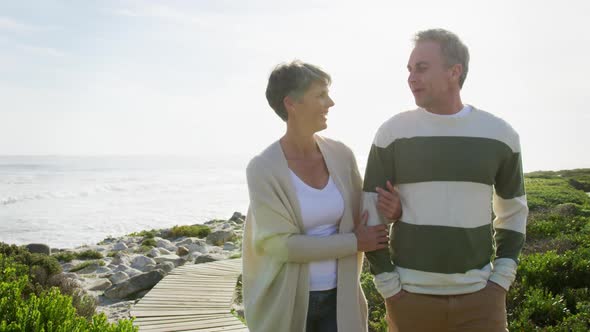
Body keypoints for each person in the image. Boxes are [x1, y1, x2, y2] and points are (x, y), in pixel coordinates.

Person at [363, 29, 528, 332]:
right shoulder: (392, 132)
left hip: (481, 300)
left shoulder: (500, 135)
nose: (411, 77)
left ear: (455, 72)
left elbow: (513, 211)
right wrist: (388, 284)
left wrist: (501, 279)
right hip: (410, 300)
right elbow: (369, 209)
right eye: (410, 70)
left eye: (422, 68)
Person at [242, 60, 395, 332]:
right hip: (286, 302)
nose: (331, 103)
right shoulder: (262, 168)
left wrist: (394, 212)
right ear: (291, 103)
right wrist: (354, 242)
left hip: (342, 297)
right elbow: (282, 246)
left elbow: (366, 215)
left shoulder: (341, 155)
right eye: (321, 95)